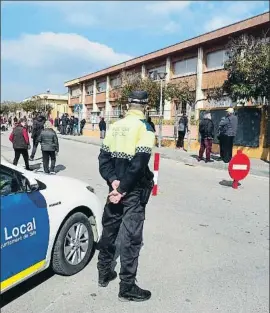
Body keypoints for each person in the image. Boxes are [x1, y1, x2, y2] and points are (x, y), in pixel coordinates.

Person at [97, 90, 155, 302]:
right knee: (131, 239)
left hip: (113, 190)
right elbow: (139, 164)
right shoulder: (145, 127)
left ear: (128, 106)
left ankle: (103, 274)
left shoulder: (114, 126)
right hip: (132, 192)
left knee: (109, 232)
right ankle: (127, 287)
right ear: (145, 106)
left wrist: (113, 182)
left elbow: (103, 159)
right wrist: (122, 190)